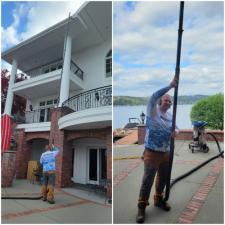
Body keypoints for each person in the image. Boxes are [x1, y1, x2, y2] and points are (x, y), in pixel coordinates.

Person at [136, 77, 179, 223]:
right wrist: (170, 86)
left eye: (169, 101)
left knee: (163, 179)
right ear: (160, 102)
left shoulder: (170, 116)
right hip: (151, 152)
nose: (167, 102)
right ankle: (141, 208)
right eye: (165, 100)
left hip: (166, 153)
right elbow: (153, 96)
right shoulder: (152, 111)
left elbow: (177, 128)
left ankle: (158, 199)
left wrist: (176, 133)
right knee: (148, 180)